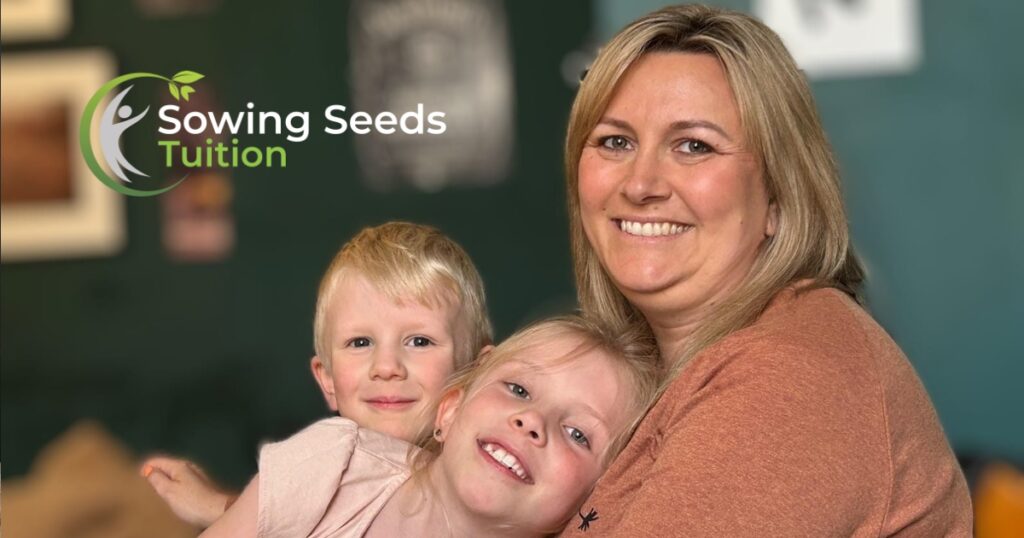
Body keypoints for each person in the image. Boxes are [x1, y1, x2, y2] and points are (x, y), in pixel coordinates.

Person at [559, 4, 972, 536]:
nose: (640, 185)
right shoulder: (669, 371)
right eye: (615, 141)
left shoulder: (787, 378)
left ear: (778, 197)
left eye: (693, 146)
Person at [142, 221, 493, 527]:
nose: (386, 367)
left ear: (479, 371)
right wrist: (224, 510)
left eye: (419, 341)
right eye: (360, 342)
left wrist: (218, 508)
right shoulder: (322, 459)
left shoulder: (496, 473)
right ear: (328, 380)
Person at [200, 316, 661, 537]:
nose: (533, 422)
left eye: (578, 434)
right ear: (450, 411)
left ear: (595, 498)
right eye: (518, 389)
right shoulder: (334, 466)